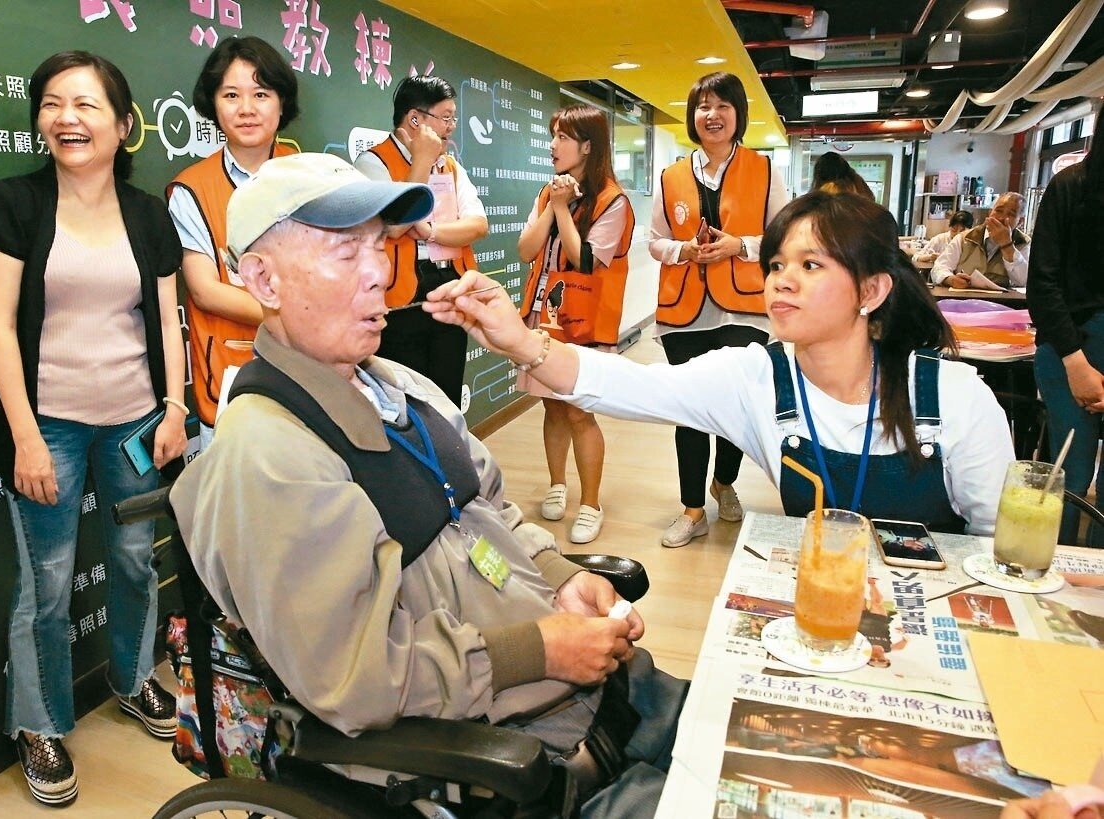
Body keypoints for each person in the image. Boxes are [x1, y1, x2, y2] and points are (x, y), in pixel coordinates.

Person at [168, 153, 686, 818]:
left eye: (379, 246)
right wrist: (543, 648)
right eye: (345, 252)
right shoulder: (269, 457)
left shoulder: (402, 386)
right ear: (263, 279)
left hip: (603, 687)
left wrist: (559, 577)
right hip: (518, 754)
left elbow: (488, 510)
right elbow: (357, 677)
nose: (379, 272)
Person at [427, 191, 1013, 536]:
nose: (782, 281)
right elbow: (628, 385)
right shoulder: (756, 378)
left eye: (811, 266)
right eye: (777, 264)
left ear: (871, 290)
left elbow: (999, 546)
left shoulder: (955, 397)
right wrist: (520, 342)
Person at [0, 51, 188, 807]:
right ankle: (37, 723)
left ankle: (132, 679)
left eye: (87, 104)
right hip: (50, 426)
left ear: (124, 125)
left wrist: (174, 407)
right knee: (48, 580)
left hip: (134, 420)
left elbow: (165, 317)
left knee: (133, 560)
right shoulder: (13, 203)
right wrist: (25, 437)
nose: (67, 117)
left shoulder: (147, 214)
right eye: (52, 103)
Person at [648, 72, 790, 547]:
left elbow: (782, 236)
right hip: (683, 310)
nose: (712, 115)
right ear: (692, 116)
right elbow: (655, 241)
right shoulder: (670, 176)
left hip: (744, 308)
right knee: (689, 409)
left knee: (734, 406)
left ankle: (724, 482)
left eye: (722, 106)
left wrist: (739, 245)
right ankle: (692, 509)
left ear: (737, 115)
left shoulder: (764, 169)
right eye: (703, 106)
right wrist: (684, 251)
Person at [167, 36, 300, 448]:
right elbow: (205, 290)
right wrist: (300, 318)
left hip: (310, 369)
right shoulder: (191, 189)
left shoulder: (313, 177)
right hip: (231, 374)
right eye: (231, 95)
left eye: (261, 94)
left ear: (281, 103)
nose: (246, 109)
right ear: (213, 104)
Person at [517, 104, 634, 544]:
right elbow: (526, 250)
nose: (553, 145)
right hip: (542, 317)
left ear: (587, 146)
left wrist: (563, 209)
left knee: (579, 411)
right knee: (551, 405)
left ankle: (590, 504)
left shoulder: (612, 200)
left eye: (562, 137)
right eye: (553, 135)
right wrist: (554, 204)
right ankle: (556, 485)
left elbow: (583, 260)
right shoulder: (549, 193)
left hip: (582, 323)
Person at [354, 74, 488, 405]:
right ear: (415, 119)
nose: (451, 127)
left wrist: (431, 232)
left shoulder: (451, 167)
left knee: (446, 394)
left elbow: (477, 224)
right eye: (445, 117)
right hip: (399, 300)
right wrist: (423, 161)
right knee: (405, 398)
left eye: (453, 118)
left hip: (449, 289)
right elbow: (394, 226)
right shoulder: (373, 162)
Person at [1028, 104, 1104, 545]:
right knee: (1068, 475)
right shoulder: (1071, 185)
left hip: (1078, 342)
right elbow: (1043, 282)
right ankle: (1054, 566)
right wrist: (1075, 362)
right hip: (1070, 345)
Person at [932, 192, 1029, 288]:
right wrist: (950, 279)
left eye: (1011, 214)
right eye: (998, 211)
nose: (1001, 218)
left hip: (1003, 298)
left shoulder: (1023, 242)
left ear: (1020, 222)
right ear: (990, 213)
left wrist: (1006, 244)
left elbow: (1023, 281)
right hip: (964, 296)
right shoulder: (964, 238)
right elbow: (939, 268)